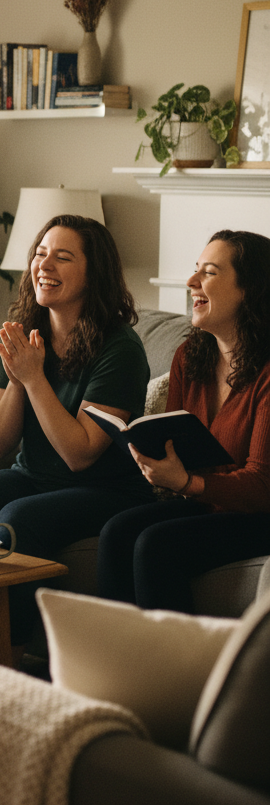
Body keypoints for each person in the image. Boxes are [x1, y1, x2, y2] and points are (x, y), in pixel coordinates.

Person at [0, 214, 153, 652]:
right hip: (32, 476)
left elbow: (81, 453)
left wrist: (35, 379)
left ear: (95, 274)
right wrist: (18, 377)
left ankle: (12, 653)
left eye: (62, 257)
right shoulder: (22, 332)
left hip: (105, 489)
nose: (43, 265)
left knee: (19, 519)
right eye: (39, 253)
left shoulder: (120, 349)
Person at [96, 230, 270, 611]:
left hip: (260, 515)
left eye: (209, 272)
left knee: (156, 545)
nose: (192, 282)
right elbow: (177, 439)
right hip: (206, 503)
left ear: (250, 289)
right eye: (195, 271)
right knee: (116, 532)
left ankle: (171, 667)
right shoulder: (190, 356)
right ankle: (113, 659)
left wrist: (187, 482)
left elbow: (261, 486)